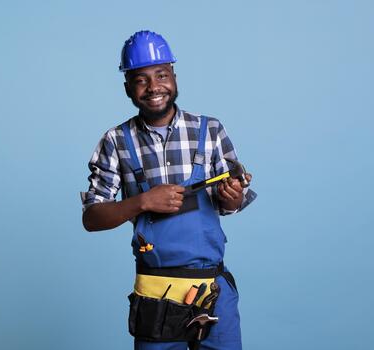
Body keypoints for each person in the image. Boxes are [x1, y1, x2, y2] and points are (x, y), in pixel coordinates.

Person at [81, 30, 257, 350]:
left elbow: (232, 198)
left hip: (212, 291)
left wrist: (234, 195)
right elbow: (92, 218)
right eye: (141, 80)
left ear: (174, 76)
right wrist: (143, 201)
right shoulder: (116, 142)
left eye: (161, 75)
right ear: (128, 88)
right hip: (156, 298)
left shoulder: (210, 130)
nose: (153, 87)